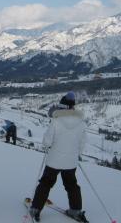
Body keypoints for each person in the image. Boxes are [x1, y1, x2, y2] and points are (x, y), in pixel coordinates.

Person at [29, 91, 87, 222]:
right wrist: (76, 153)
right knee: (72, 185)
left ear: (62, 107)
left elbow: (47, 142)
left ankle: (36, 209)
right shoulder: (81, 123)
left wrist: (48, 146)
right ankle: (76, 210)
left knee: (46, 183)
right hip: (71, 162)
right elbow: (82, 143)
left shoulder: (56, 121)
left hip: (54, 160)